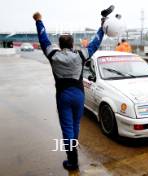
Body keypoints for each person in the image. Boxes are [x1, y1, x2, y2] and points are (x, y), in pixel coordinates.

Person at [32, 6, 112, 171]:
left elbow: (43, 39)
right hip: (79, 95)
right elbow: (96, 42)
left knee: (67, 127)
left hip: (63, 96)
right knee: (75, 125)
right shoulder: (81, 55)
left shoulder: (53, 55)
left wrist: (39, 21)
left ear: (60, 45)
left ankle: (72, 160)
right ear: (73, 44)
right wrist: (102, 25)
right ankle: (73, 153)